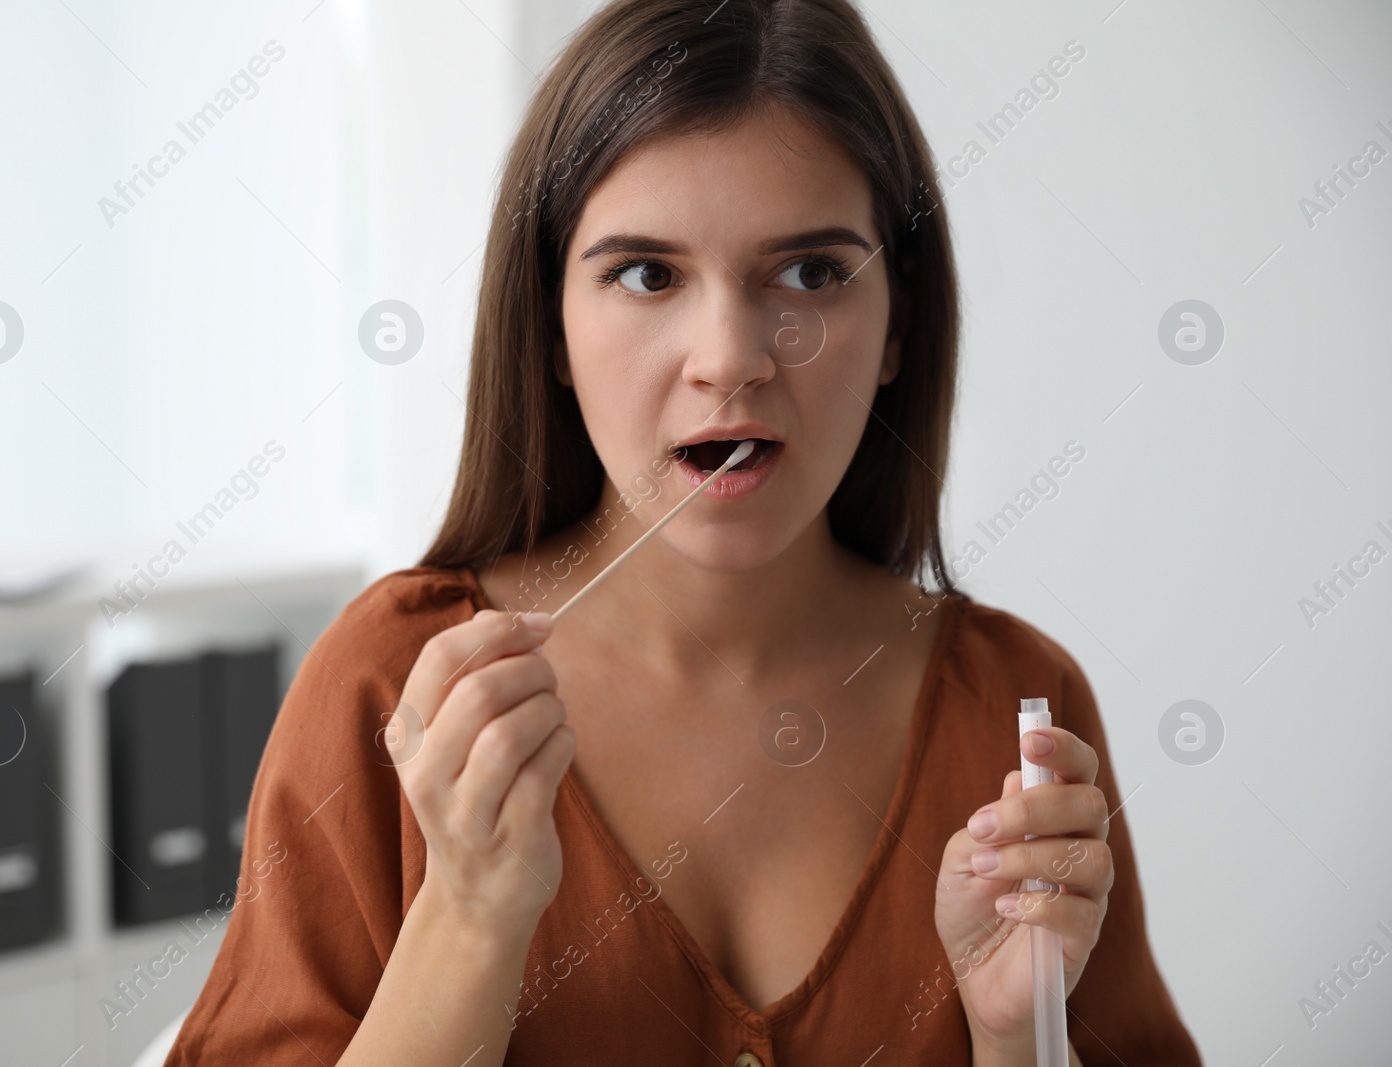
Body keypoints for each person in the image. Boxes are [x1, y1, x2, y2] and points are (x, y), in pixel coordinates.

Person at [165, 0, 1202, 1062]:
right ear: (551, 329)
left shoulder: (1017, 712)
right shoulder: (390, 688)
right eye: (647, 274)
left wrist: (1011, 1038)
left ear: (898, 326)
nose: (729, 357)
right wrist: (467, 916)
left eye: (809, 273)